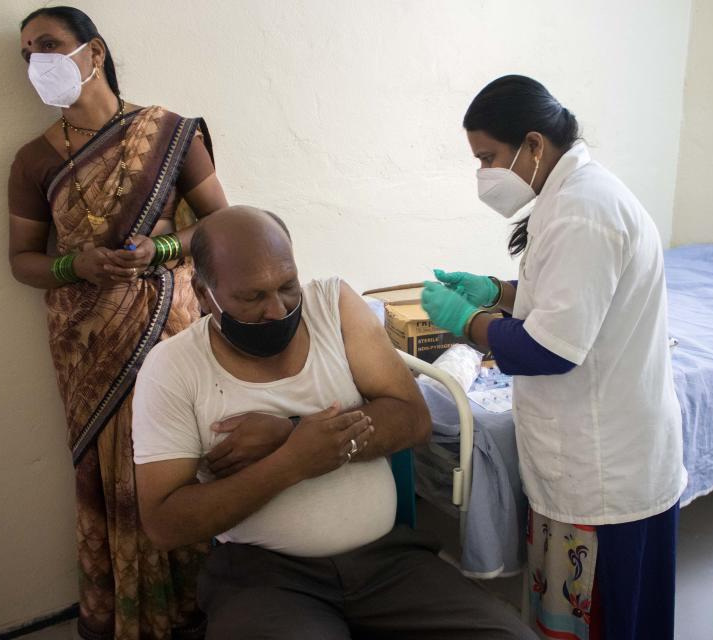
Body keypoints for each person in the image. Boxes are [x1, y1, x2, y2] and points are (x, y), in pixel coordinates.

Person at [131, 206, 535, 640]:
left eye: (288, 286)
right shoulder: (173, 368)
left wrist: (292, 430)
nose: (277, 310)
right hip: (265, 577)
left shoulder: (332, 305)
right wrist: (291, 463)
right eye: (251, 297)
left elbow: (412, 418)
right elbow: (164, 522)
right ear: (204, 293)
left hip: (387, 562)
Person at [420, 75, 687, 640]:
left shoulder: (584, 210)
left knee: (604, 620)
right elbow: (564, 299)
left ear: (534, 145)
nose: (483, 175)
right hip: (590, 455)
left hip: (605, 470)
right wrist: (495, 291)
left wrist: (466, 323)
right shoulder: (570, 197)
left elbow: (547, 349)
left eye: (488, 157)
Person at [8, 7, 228, 639]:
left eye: (48, 45)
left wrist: (159, 251)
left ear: (94, 52)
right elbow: (23, 262)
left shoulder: (171, 134)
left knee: (187, 459)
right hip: (87, 345)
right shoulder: (31, 161)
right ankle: (134, 615)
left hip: (168, 329)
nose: (36, 63)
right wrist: (76, 264)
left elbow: (218, 223)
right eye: (27, 54)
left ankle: (209, 605)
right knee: (113, 476)